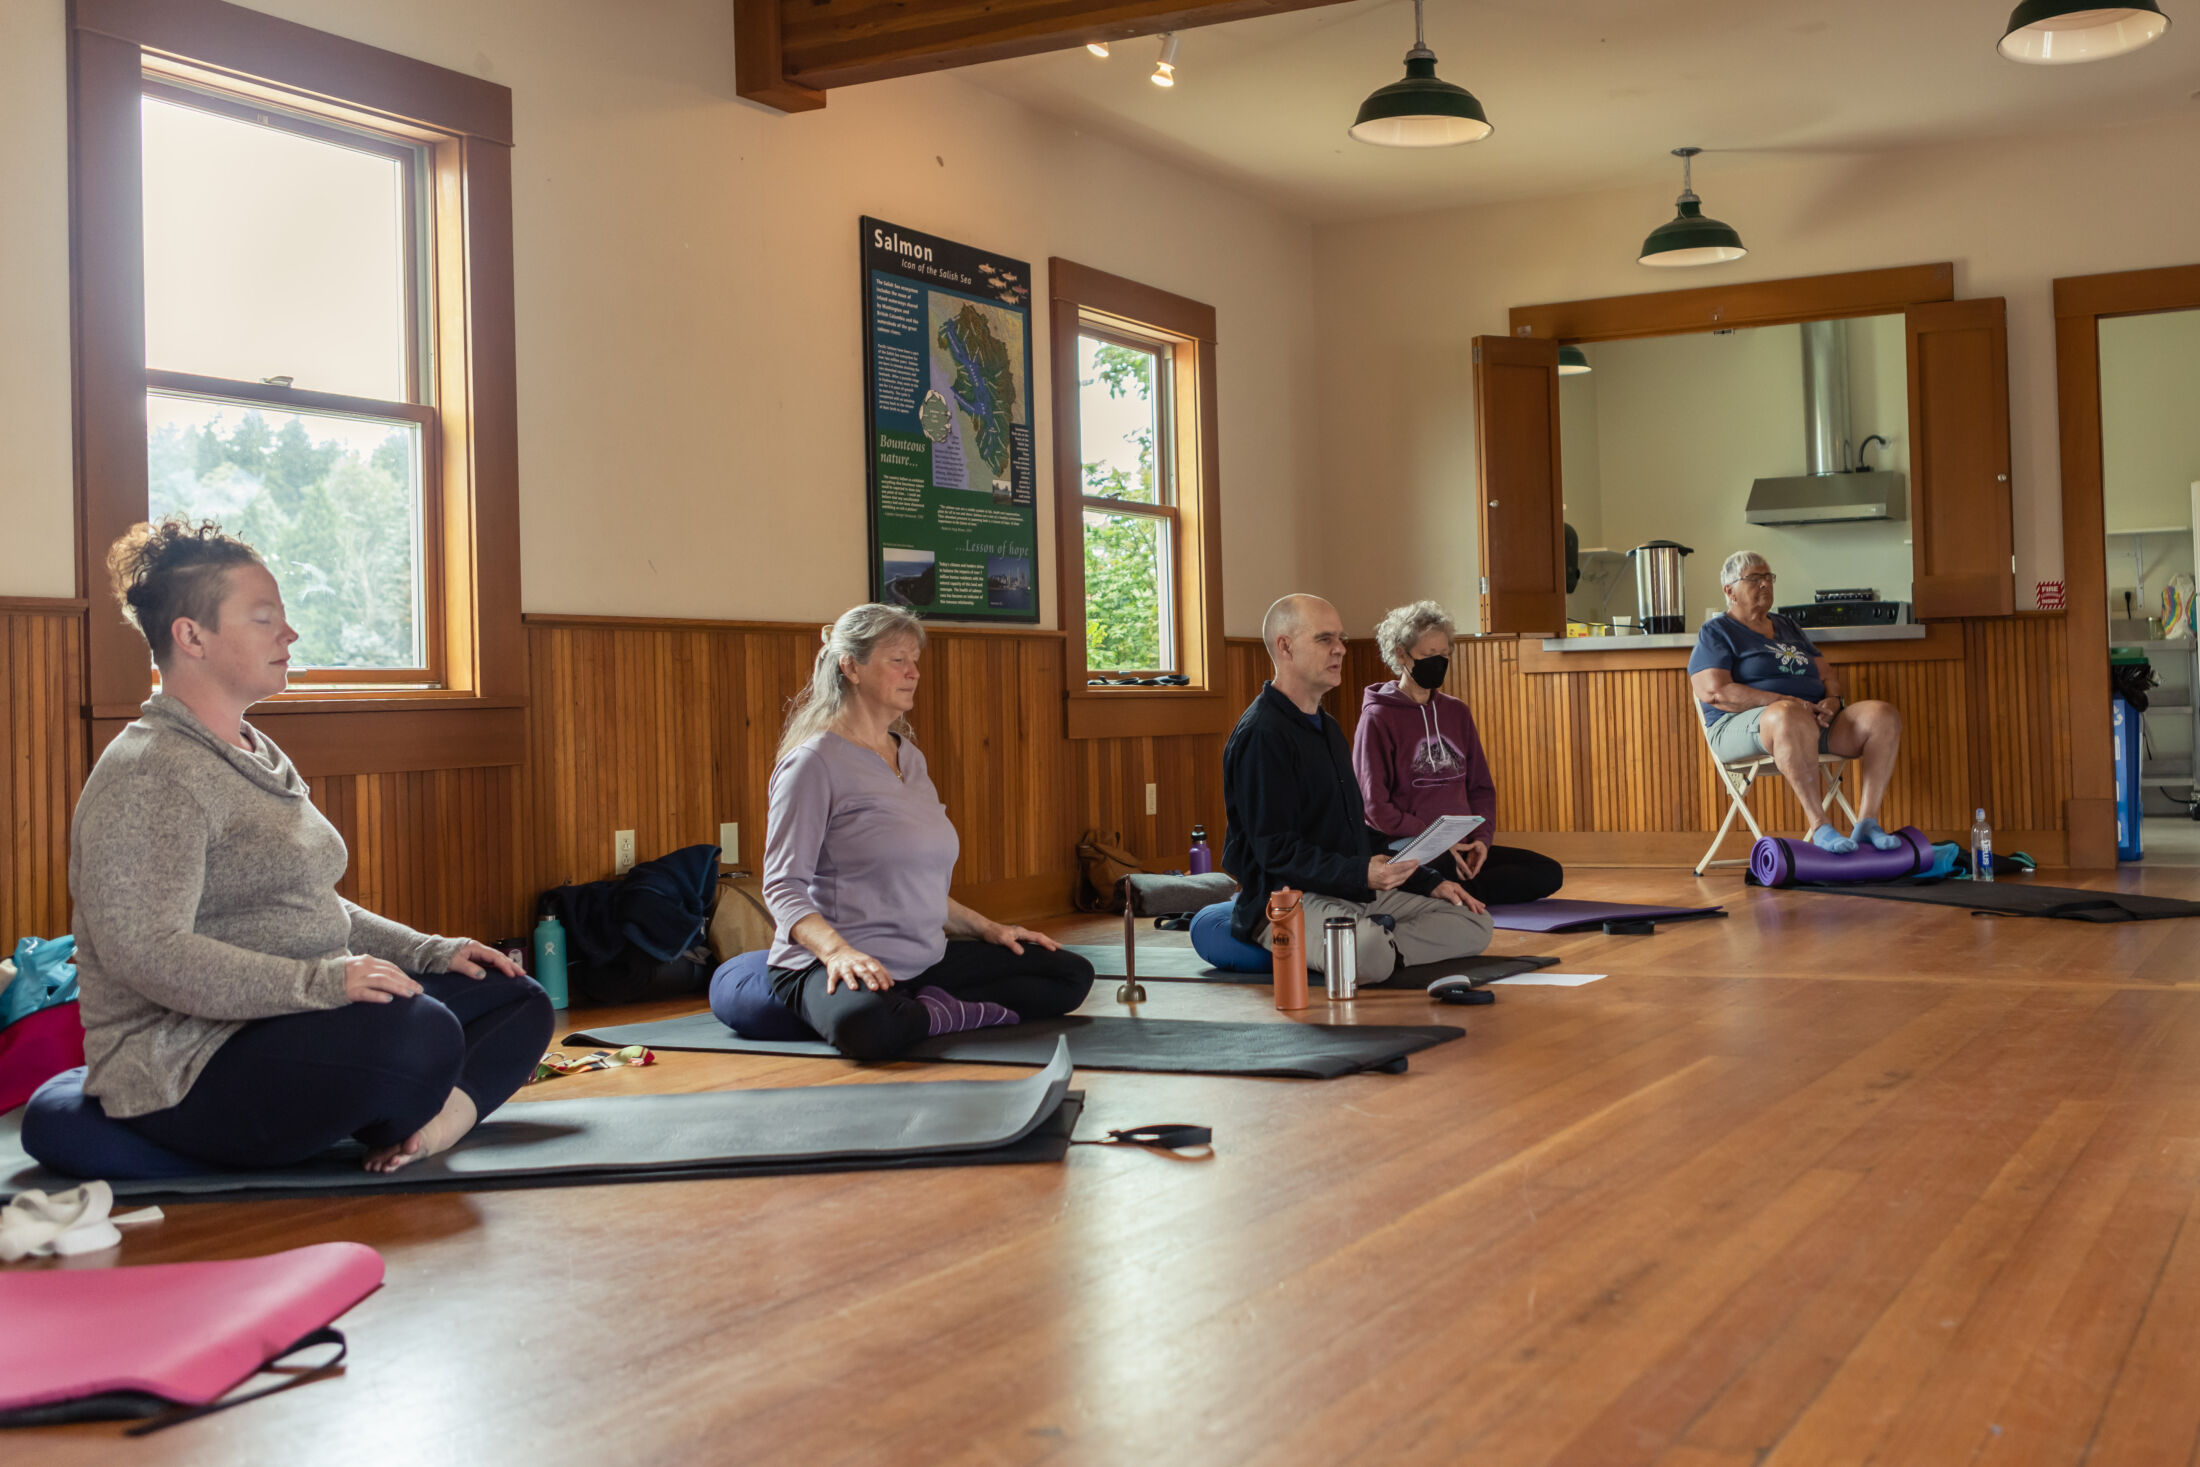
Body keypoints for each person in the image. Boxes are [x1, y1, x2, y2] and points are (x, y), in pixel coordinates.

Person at [72, 518, 552, 1174]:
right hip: (189, 1061)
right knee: (423, 1032)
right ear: (192, 636)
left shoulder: (254, 751)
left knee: (514, 992)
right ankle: (406, 1098)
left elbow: (309, 901)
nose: (288, 634)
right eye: (264, 618)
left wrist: (426, 950)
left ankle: (433, 1127)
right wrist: (323, 981)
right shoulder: (152, 769)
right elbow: (148, 953)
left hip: (294, 1015)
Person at [762, 604, 1093, 1060]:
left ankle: (929, 1010)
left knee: (1069, 975)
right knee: (867, 1027)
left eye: (915, 660)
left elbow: (918, 884)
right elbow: (782, 886)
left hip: (922, 958)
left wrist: (990, 929)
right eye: (897, 659)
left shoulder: (909, 757)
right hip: (834, 959)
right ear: (851, 667)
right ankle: (936, 1012)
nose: (913, 672)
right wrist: (838, 952)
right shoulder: (813, 763)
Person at [1222, 594, 1493, 981]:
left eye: (1341, 638)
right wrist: (1360, 874)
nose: (1341, 649)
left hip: (1350, 891)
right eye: (1325, 639)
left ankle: (1379, 943)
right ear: (1285, 646)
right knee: (1365, 950)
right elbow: (1274, 851)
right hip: (1286, 900)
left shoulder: (1327, 727)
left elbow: (1354, 830)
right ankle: (1374, 945)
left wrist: (1430, 882)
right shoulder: (1262, 735)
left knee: (1474, 919)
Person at [1688, 550, 1906, 853]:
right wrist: (1785, 701)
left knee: (1882, 715)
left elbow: (1827, 674)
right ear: (1729, 591)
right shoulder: (1717, 631)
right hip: (1742, 727)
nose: (1765, 584)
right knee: (1788, 714)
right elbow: (1715, 692)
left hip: (1810, 721)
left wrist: (1832, 700)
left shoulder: (1788, 627)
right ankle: (1820, 827)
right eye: (1754, 579)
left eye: (1768, 577)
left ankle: (1867, 823)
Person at [1354, 600, 1564, 906]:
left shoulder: (1457, 712)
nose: (1438, 663)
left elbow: (1480, 788)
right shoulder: (1377, 718)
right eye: (1428, 656)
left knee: (1548, 872)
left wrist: (1482, 840)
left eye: (1444, 655)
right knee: (1433, 870)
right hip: (1412, 847)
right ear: (1401, 654)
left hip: (1461, 846)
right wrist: (1434, 839)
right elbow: (1375, 807)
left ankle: (1453, 895)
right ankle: (1446, 890)